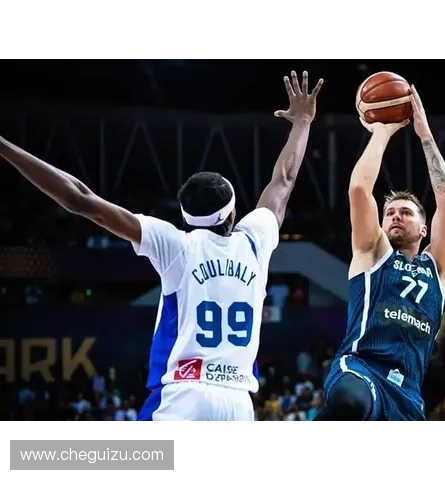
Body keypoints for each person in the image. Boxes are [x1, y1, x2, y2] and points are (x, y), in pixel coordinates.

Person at [0, 70, 324, 421]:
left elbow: (80, 199)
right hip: (239, 404)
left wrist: (5, 147)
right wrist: (302, 122)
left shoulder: (176, 245)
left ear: (186, 216)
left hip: (184, 397)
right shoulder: (254, 240)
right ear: (233, 213)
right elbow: (284, 179)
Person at [315, 85, 445, 421]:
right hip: (361, 368)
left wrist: (425, 135)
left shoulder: (438, 269)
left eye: (406, 212)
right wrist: (382, 130)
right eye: (390, 212)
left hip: (407, 392)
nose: (395, 216)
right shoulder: (372, 252)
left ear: (424, 229)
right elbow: (359, 189)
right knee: (349, 403)